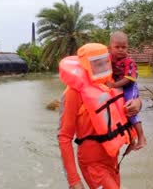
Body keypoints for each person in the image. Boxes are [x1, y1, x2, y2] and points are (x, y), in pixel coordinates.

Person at [58, 43, 142, 189]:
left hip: (112, 158)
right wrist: (74, 180)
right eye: (97, 63)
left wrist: (138, 103)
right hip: (92, 162)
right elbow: (64, 137)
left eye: (105, 61)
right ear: (86, 65)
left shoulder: (112, 83)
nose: (103, 66)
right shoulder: (74, 92)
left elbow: (132, 99)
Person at [106, 31, 147, 152]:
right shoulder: (108, 58)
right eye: (117, 47)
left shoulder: (129, 62)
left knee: (130, 109)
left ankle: (141, 137)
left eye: (123, 47)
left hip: (129, 86)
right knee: (120, 113)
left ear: (127, 47)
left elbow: (127, 80)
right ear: (110, 48)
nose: (120, 50)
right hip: (117, 86)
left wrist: (113, 85)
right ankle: (131, 140)